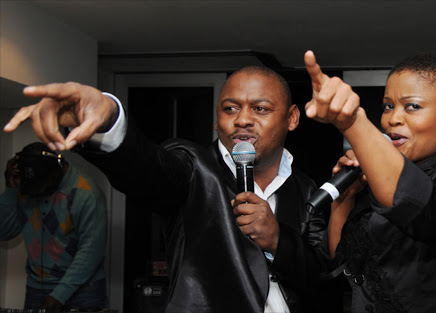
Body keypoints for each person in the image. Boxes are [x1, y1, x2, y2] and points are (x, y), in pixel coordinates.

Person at [4, 66, 337, 313]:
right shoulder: (193, 167)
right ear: (216, 119)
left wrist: (278, 239)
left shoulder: (309, 190)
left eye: (260, 109)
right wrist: (109, 122)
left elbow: (321, 279)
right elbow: (148, 169)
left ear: (291, 118)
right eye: (230, 108)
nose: (242, 120)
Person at [302, 51, 436, 312]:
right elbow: (340, 262)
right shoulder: (376, 181)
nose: (392, 119)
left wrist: (354, 124)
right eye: (388, 106)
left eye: (412, 106)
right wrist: (345, 199)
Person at [0, 142, 108, 312]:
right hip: (38, 288)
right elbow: (5, 232)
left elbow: (91, 252)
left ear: (57, 170)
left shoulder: (86, 194)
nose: (37, 195)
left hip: (84, 290)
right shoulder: (27, 186)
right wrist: (11, 190)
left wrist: (59, 295)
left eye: (42, 189)